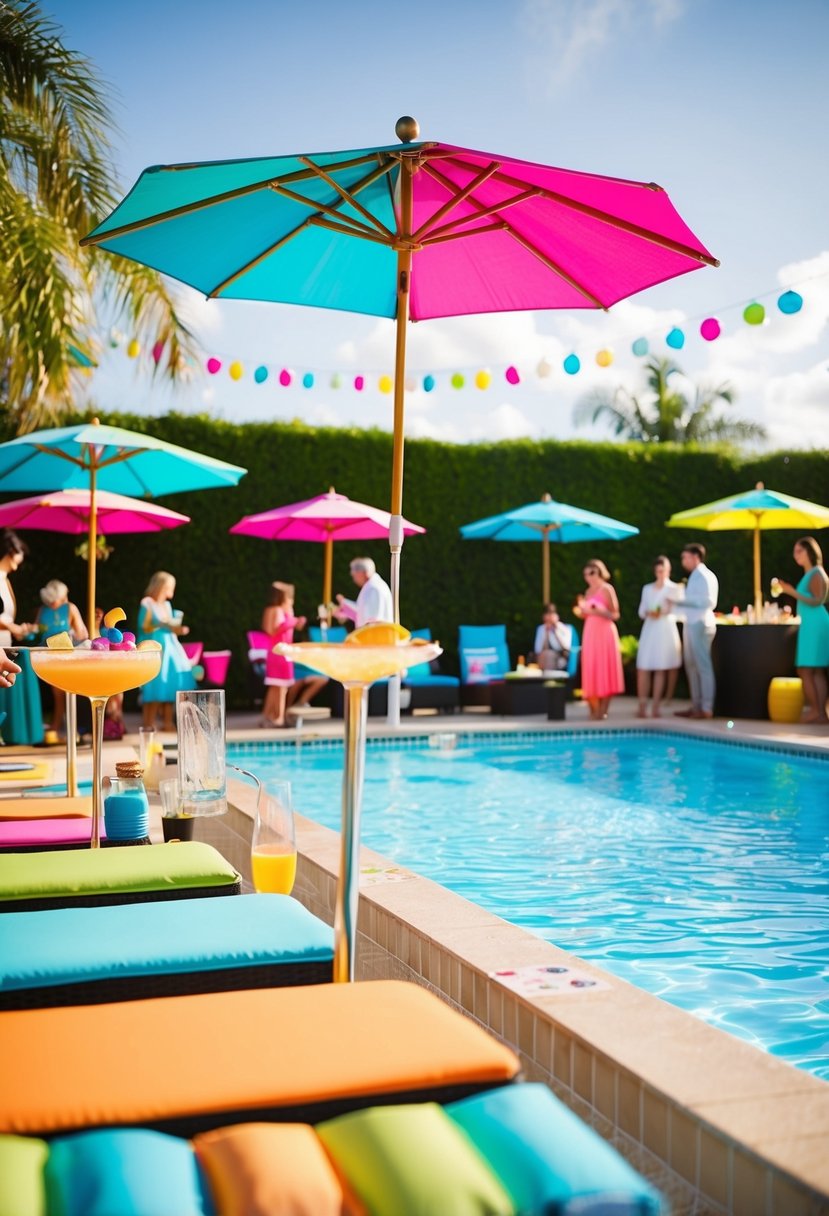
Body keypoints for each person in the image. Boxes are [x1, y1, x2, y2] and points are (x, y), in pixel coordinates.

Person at [776, 536, 829, 723]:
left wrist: (791, 592)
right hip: (811, 624)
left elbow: (818, 600)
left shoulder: (816, 573)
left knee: (806, 669)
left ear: (810, 552)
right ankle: (820, 712)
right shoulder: (811, 573)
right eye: (794, 551)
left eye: (799, 550)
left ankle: (817, 711)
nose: (795, 555)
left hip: (815, 625)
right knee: (814, 670)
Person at [137, 571, 195, 731]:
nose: (172, 589)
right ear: (162, 586)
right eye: (170, 586)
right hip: (156, 647)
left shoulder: (167, 606)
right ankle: (148, 722)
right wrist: (161, 624)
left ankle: (168, 722)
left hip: (171, 648)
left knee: (170, 683)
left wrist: (179, 630)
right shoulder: (147, 603)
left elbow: (171, 628)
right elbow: (143, 626)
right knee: (155, 683)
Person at [0, 529, 43, 744]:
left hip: (5, 642)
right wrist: (12, 627)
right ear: (10, 551)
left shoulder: (5, 579)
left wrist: (17, 628)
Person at [671, 542, 718, 720]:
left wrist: (680, 601)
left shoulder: (706, 576)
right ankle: (696, 705)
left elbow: (708, 602)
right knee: (691, 666)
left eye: (685, 557)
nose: (683, 560)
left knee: (703, 666)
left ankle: (706, 708)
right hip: (690, 624)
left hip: (701, 624)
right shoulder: (694, 577)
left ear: (695, 557)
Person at [35, 580, 89, 733]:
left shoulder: (70, 608)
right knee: (56, 692)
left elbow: (82, 633)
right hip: (46, 654)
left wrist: (71, 635)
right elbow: (37, 630)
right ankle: (58, 725)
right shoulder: (43, 610)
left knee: (62, 691)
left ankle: (61, 725)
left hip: (64, 653)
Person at [573, 559, 624, 721]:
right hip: (590, 634)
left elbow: (615, 614)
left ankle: (603, 710)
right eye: (586, 574)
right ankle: (593, 710)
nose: (589, 577)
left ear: (600, 572)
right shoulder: (587, 592)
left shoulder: (607, 589)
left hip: (605, 634)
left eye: (592, 573)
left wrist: (601, 611)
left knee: (605, 668)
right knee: (591, 668)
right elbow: (586, 614)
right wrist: (583, 611)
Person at [636, 556, 683, 718]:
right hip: (650, 629)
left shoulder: (674, 589)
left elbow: (680, 612)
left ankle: (656, 706)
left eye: (662, 570)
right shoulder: (647, 588)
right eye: (657, 571)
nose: (660, 573)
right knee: (643, 667)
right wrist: (649, 612)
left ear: (668, 570)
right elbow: (641, 611)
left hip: (665, 630)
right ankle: (642, 705)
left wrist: (666, 610)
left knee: (661, 668)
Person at [261, 582, 306, 727]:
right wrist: (292, 622)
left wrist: (295, 621)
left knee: (275, 686)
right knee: (281, 687)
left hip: (277, 652)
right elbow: (272, 630)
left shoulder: (276, 609)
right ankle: (278, 718)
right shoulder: (276, 610)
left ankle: (267, 716)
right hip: (280, 652)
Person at [334, 557, 393, 628]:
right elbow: (363, 613)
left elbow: (372, 619)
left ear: (362, 573)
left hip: (376, 635)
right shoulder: (373, 585)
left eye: (354, 575)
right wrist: (345, 606)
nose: (354, 580)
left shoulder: (373, 587)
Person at [530, 603, 573, 673]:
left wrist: (555, 632)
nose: (549, 617)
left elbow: (567, 646)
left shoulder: (564, 628)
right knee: (546, 654)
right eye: (547, 614)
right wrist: (546, 633)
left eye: (552, 614)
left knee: (549, 655)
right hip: (543, 657)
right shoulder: (541, 629)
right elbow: (537, 649)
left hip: (561, 656)